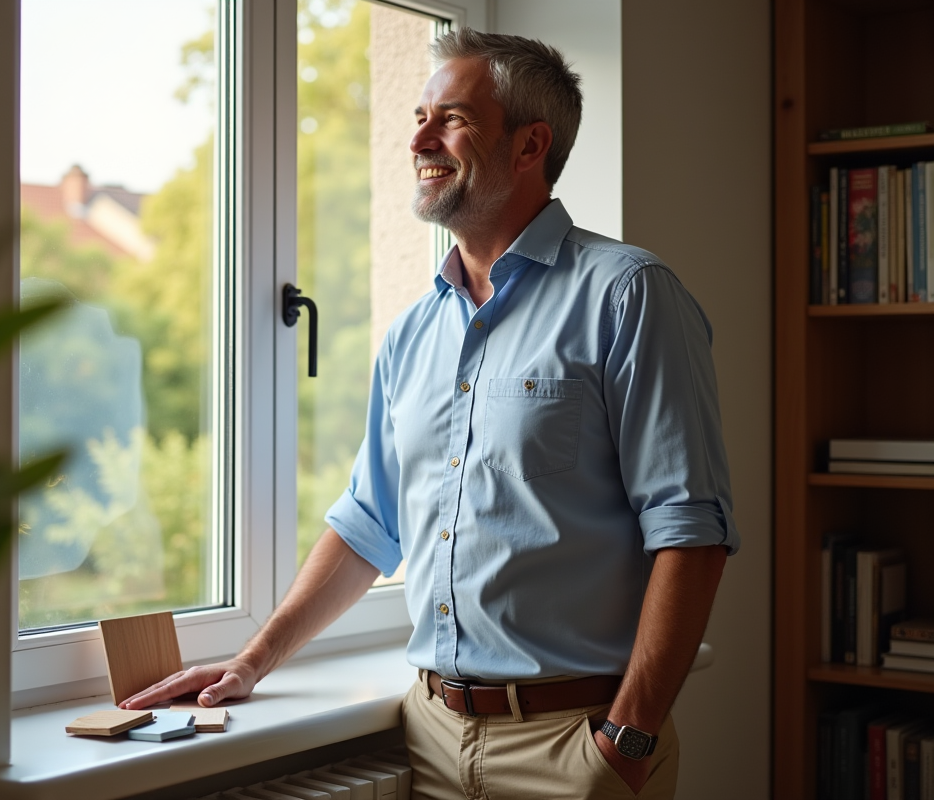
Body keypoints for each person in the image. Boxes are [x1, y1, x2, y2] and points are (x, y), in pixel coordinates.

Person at [122, 28, 737, 800]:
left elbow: (691, 531)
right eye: (418, 114)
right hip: (432, 738)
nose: (418, 136)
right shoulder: (413, 333)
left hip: (575, 744)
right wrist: (252, 660)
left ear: (528, 145)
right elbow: (366, 526)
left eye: (452, 118)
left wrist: (627, 739)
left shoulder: (628, 295)